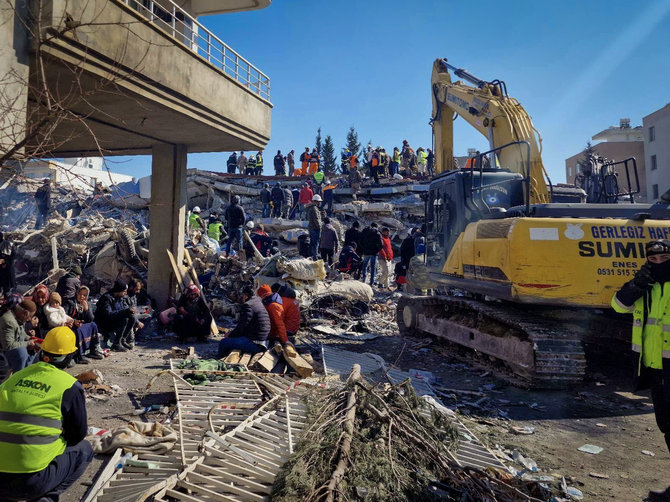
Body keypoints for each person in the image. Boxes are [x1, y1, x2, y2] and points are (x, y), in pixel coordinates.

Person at [0, 326, 93, 502]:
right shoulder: (69, 386)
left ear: (42, 352)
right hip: (30, 482)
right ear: (70, 357)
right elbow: (77, 435)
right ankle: (47, 498)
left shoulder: (14, 378)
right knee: (84, 450)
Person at [612, 240, 670, 501]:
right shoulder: (646, 285)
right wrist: (635, 286)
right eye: (653, 259)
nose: (659, 263)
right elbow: (618, 306)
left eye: (665, 258)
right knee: (667, 428)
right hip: (656, 368)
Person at [217, 285, 270, 358]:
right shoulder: (258, 302)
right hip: (263, 341)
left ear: (245, 295)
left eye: (243, 295)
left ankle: (218, 360)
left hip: (256, 343)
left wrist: (230, 335)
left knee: (224, 342)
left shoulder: (248, 305)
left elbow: (242, 326)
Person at [94, 279, 135, 352]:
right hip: (104, 323)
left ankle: (122, 340)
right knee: (124, 319)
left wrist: (130, 311)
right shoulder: (107, 298)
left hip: (113, 320)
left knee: (132, 318)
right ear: (119, 290)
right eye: (124, 291)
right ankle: (116, 344)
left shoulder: (120, 297)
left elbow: (124, 308)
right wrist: (125, 311)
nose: (125, 293)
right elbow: (108, 315)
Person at [0, 298, 38, 373]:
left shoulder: (18, 318)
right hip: (3, 353)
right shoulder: (8, 321)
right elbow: (8, 345)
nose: (29, 319)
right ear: (25, 313)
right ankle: (18, 376)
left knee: (34, 350)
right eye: (30, 316)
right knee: (21, 352)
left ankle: (25, 372)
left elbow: (23, 334)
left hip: (11, 350)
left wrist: (33, 340)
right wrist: (28, 343)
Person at [70, 286, 103, 360]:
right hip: (74, 325)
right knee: (78, 330)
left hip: (82, 324)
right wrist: (75, 321)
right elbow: (69, 315)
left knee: (93, 325)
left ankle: (93, 350)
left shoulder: (87, 303)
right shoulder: (72, 303)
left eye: (84, 295)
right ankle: (78, 355)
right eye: (80, 294)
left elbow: (90, 319)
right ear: (77, 294)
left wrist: (86, 310)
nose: (82, 297)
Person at [359, 222, 383, 286]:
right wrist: (377, 250)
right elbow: (381, 244)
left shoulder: (365, 231)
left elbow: (360, 241)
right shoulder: (377, 233)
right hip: (374, 253)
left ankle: (363, 279)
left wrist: (363, 248)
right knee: (373, 267)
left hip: (366, 252)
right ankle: (371, 282)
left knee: (365, 265)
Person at [305, 194, 323, 260]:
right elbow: (316, 219)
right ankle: (315, 257)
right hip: (315, 229)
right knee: (316, 243)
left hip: (311, 228)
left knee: (312, 243)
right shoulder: (314, 209)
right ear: (316, 201)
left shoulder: (310, 208)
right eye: (319, 201)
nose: (320, 203)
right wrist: (320, 227)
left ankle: (310, 256)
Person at [0, 232, 16, 298]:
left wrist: (4, 261)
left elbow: (12, 257)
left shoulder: (7, 245)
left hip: (6, 271)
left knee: (7, 291)